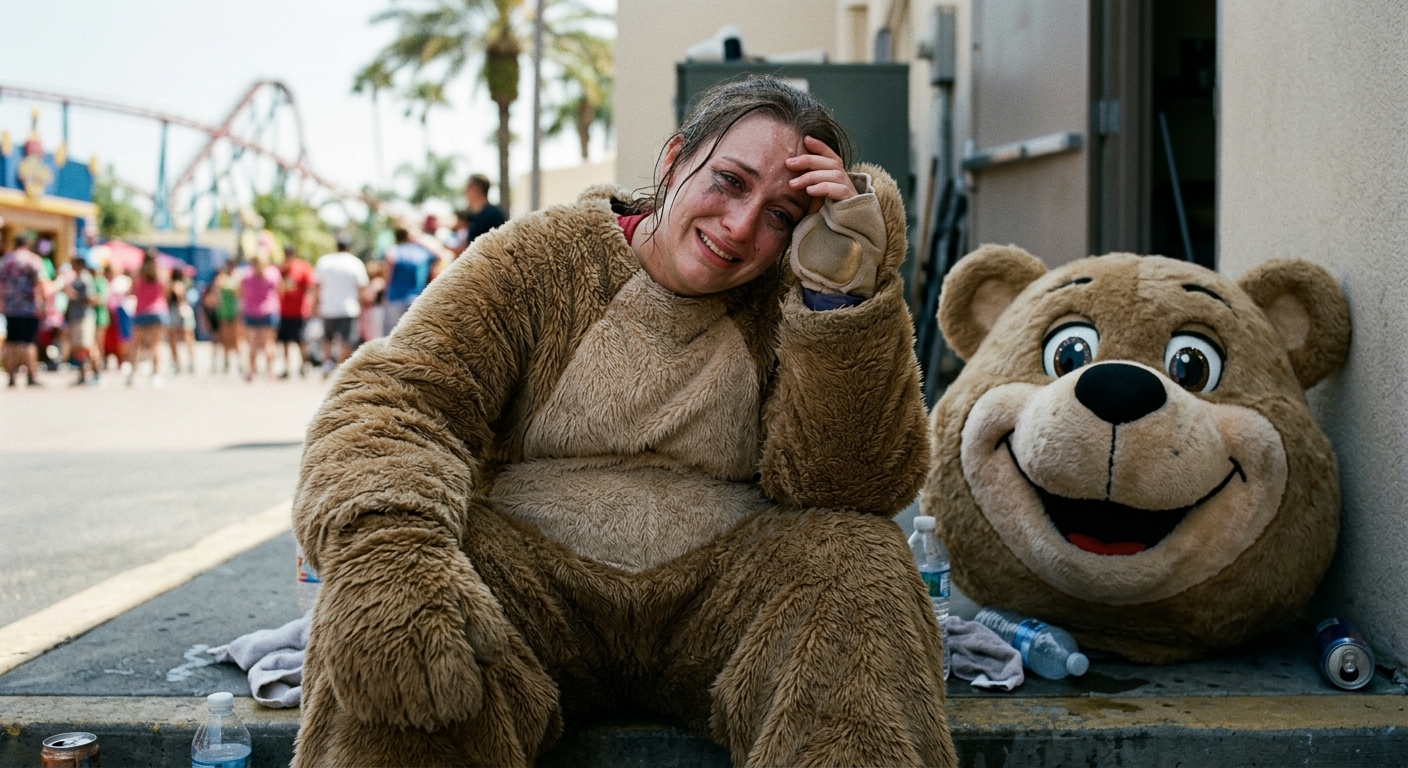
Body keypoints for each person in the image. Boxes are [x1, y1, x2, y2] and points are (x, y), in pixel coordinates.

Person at [291, 76, 953, 767]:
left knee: (859, 561)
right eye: (729, 181)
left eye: (783, 215)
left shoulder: (789, 298)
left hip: (722, 597)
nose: (741, 225)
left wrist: (839, 300)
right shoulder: (540, 259)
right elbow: (402, 399)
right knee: (410, 621)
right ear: (673, 161)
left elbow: (850, 486)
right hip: (528, 585)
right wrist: (389, 548)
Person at [311, 236, 368, 376]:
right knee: (346, 340)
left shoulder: (325, 262)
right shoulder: (355, 263)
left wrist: (315, 304)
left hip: (328, 307)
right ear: (349, 247)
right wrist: (362, 306)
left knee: (327, 338)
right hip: (349, 308)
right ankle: (340, 367)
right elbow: (362, 287)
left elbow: (317, 286)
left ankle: (326, 364)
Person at [0, 235, 48, 387]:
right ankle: (31, 376)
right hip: (28, 307)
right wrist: (43, 304)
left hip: (10, 307)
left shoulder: (6, 261)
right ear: (27, 244)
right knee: (28, 342)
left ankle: (11, 377)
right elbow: (39, 283)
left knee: (11, 342)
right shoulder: (32, 260)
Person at [380, 227, 435, 334]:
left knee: (390, 336)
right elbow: (443, 254)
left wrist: (384, 296)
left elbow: (387, 277)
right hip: (417, 300)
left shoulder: (393, 251)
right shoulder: (423, 252)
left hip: (395, 299)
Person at [127, 250, 169, 386]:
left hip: (140, 312)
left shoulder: (137, 274)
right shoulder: (162, 274)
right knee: (155, 345)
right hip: (158, 311)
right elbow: (165, 292)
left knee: (135, 345)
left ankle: (132, 375)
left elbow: (131, 292)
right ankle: (156, 375)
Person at [240, 252, 281, 381]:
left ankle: (251, 371)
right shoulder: (273, 274)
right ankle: (270, 371)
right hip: (269, 311)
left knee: (252, 344)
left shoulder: (246, 275)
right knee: (268, 344)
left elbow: (240, 293)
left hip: (251, 311)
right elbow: (280, 290)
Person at [277, 245, 314, 379]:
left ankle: (304, 366)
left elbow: (310, 287)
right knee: (284, 342)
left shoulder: (302, 267)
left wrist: (310, 305)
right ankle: (286, 368)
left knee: (301, 341)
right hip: (283, 311)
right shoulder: (280, 268)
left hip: (299, 312)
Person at [63, 259, 100, 385]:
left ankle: (96, 372)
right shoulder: (76, 279)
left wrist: (74, 295)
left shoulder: (85, 279)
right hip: (76, 316)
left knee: (87, 346)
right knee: (78, 347)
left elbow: (91, 299)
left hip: (85, 316)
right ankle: (83, 374)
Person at [458, 173, 506, 250]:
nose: (465, 192)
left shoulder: (493, 215)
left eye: (468, 188)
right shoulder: (475, 216)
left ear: (476, 189)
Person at [166, 275, 197, 374]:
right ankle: (189, 361)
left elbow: (179, 295)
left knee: (176, 338)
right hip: (182, 311)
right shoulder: (185, 283)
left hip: (177, 312)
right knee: (187, 338)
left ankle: (177, 362)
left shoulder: (175, 284)